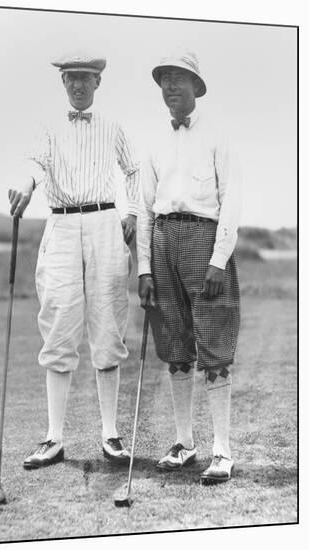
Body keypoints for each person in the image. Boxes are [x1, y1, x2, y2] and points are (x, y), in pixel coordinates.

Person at [8, 52, 140, 469]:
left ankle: (111, 435)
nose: (78, 85)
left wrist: (132, 210)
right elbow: (34, 163)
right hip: (62, 226)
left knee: (107, 327)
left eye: (85, 78)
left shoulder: (113, 126)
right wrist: (24, 187)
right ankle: (54, 438)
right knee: (60, 324)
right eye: (71, 78)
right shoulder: (48, 126)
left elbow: (134, 170)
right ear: (63, 82)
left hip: (105, 223)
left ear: (98, 82)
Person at [137, 48, 241, 483]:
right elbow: (144, 209)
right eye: (165, 80)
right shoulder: (155, 142)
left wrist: (219, 259)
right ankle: (185, 443)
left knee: (214, 342)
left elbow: (232, 200)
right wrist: (143, 268)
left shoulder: (217, 135)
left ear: (196, 87)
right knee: (175, 345)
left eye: (179, 78)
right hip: (162, 241)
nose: (171, 87)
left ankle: (222, 451)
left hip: (204, 240)